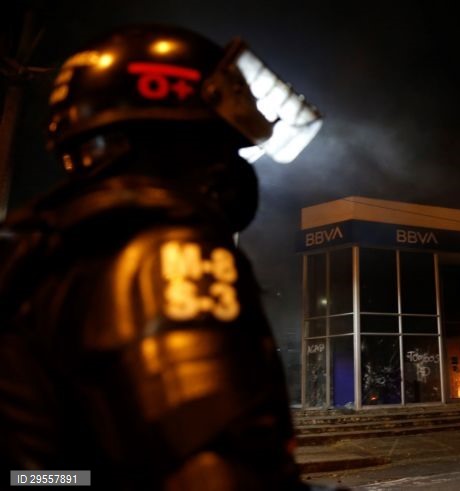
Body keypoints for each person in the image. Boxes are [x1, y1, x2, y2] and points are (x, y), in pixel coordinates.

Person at [0, 24, 323, 490]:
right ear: (186, 136)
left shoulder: (51, 246)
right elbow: (215, 468)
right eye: (228, 143)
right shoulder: (165, 254)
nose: (234, 163)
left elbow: (49, 476)